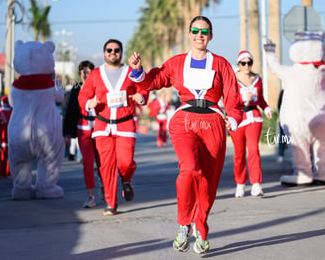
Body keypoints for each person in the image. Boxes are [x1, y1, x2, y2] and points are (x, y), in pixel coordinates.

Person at [128, 16, 242, 254]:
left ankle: (201, 229)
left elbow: (232, 94)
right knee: (189, 169)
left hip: (213, 122)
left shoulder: (221, 63)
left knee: (208, 183)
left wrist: (232, 118)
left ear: (210, 36)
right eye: (195, 30)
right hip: (184, 121)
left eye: (204, 31)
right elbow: (152, 81)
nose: (199, 34)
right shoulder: (177, 62)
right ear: (189, 34)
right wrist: (138, 70)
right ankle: (184, 223)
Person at [78, 39, 149, 216]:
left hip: (125, 124)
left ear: (121, 53)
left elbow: (143, 86)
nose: (112, 53)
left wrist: (141, 96)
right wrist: (89, 103)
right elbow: (83, 96)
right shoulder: (95, 74)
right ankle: (111, 203)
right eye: (109, 50)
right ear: (104, 53)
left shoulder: (130, 72)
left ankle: (126, 179)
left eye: (116, 50)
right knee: (106, 166)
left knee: (125, 162)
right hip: (103, 126)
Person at [229, 51, 273, 198]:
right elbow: (229, 101)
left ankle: (256, 185)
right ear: (239, 64)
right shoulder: (233, 80)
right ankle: (240, 184)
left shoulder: (257, 79)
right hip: (237, 118)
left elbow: (260, 99)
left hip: (254, 117)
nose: (246, 66)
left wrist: (266, 108)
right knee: (239, 154)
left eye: (249, 63)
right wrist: (242, 99)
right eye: (243, 63)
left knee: (253, 149)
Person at [63, 60, 104, 208]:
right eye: (83, 72)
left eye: (89, 71)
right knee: (87, 163)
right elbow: (70, 111)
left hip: (100, 128)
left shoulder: (100, 86)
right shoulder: (76, 89)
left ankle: (104, 186)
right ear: (80, 74)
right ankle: (91, 196)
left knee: (103, 163)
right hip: (83, 130)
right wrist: (67, 132)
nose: (86, 74)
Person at [0, 96, 12, 178]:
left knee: (3, 156)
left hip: (3, 136)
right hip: (11, 137)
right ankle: (9, 172)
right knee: (10, 156)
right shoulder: (12, 111)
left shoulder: (0, 111)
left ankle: (2, 173)